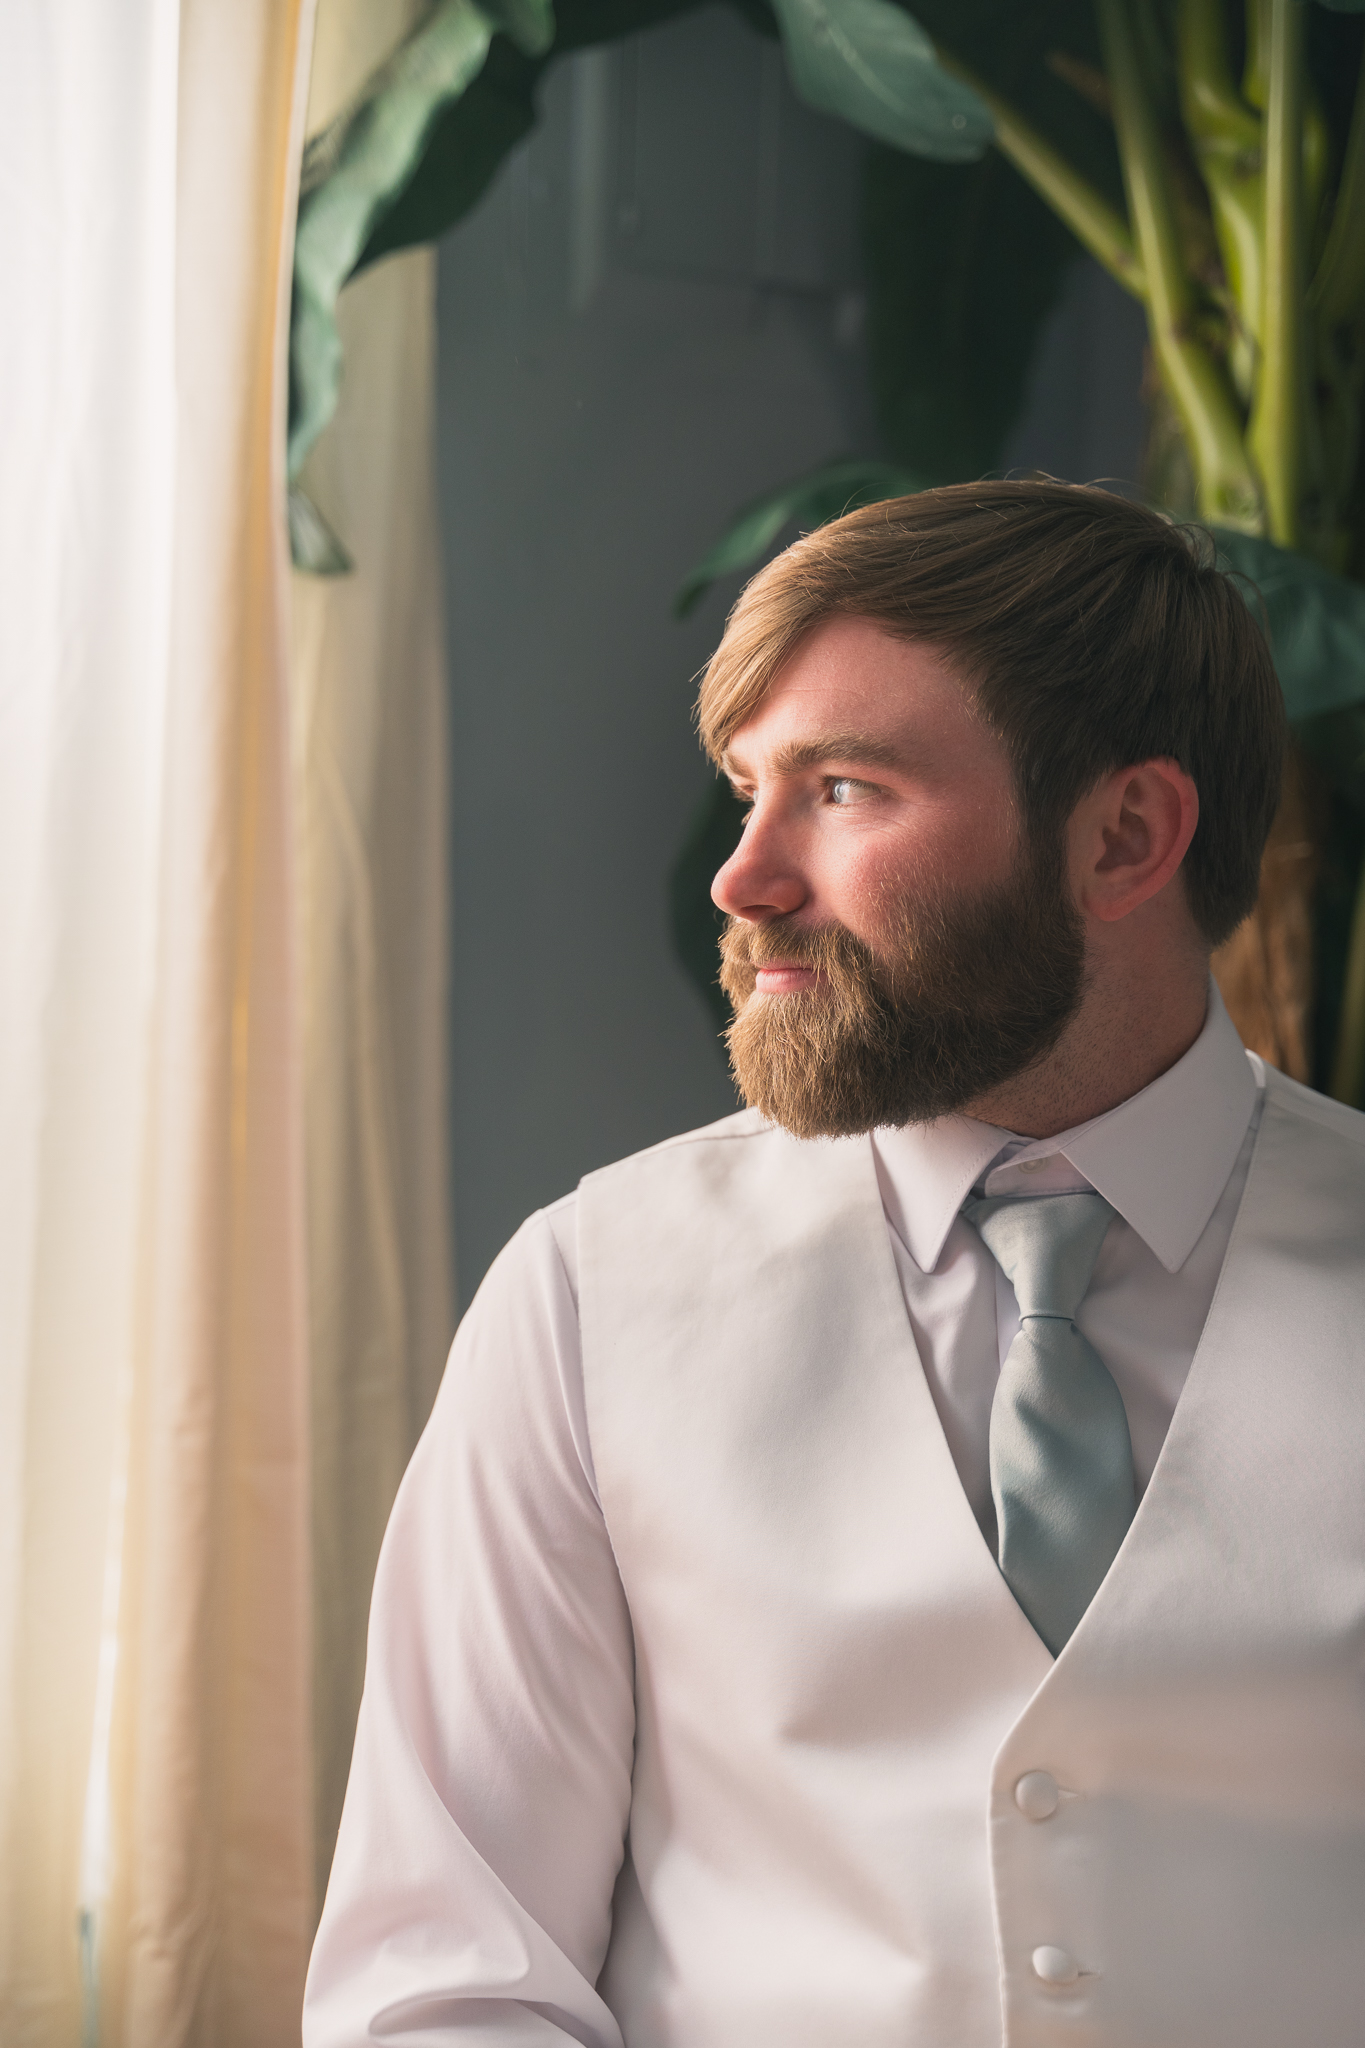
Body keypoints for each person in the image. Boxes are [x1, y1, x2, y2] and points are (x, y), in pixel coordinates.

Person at [302, 481, 1365, 2048]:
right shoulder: (590, 1295)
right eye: (748, 788)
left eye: (845, 790)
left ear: (1125, 835)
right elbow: (448, 1979)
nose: (742, 879)